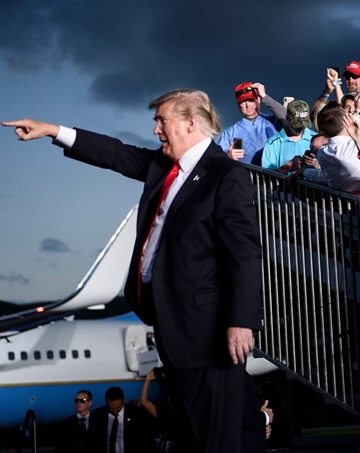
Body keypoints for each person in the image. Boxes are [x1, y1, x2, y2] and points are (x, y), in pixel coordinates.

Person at [3, 88, 263, 452]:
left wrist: (242, 320)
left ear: (191, 122)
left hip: (209, 331)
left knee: (217, 440)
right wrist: (52, 130)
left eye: (162, 121)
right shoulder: (163, 167)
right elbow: (115, 153)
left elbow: (244, 253)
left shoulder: (225, 175)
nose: (156, 130)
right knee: (190, 437)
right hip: (173, 328)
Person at [216, 81, 278, 163]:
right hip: (246, 175)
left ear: (258, 99)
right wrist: (228, 156)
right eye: (243, 102)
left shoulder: (274, 121)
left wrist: (265, 96)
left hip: (275, 174)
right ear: (238, 105)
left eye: (250, 100)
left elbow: (289, 121)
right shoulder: (230, 133)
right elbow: (216, 161)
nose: (247, 105)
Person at [87, 386, 156, 453]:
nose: (114, 411)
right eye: (111, 408)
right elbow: (92, 441)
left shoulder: (136, 413)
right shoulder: (97, 415)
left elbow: (147, 439)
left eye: (118, 407)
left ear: (123, 400)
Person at [261, 99, 316, 171]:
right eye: (296, 125)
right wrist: (290, 165)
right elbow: (266, 178)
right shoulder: (272, 143)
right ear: (287, 118)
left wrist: (317, 165)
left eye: (303, 125)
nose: (299, 128)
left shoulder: (317, 139)